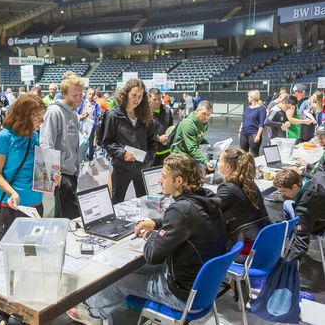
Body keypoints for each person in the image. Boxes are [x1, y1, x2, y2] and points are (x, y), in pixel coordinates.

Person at [67, 153, 227, 324]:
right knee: (135, 270)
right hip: (203, 290)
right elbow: (182, 225)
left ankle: (92, 311)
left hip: (182, 296)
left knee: (118, 281)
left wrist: (150, 234)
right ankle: (99, 305)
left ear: (178, 181)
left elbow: (152, 255)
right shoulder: (206, 198)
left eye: (164, 177)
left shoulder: (181, 210)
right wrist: (157, 223)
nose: (159, 180)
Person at [0, 94, 48, 238]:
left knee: (32, 251)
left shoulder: (34, 136)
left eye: (42, 117)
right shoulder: (4, 137)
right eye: (37, 118)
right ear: (23, 116)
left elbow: (38, 168)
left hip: (35, 204)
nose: (41, 122)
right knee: (11, 251)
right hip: (11, 204)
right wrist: (12, 193)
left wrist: (51, 178)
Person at [102, 79, 157, 204]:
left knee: (146, 203)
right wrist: (123, 153)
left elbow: (153, 142)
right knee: (116, 202)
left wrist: (148, 160)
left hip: (141, 169)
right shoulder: (114, 115)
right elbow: (107, 142)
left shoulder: (146, 116)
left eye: (140, 96)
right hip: (121, 168)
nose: (136, 99)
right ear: (126, 94)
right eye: (134, 95)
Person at [40, 74, 84, 220]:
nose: (79, 98)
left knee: (64, 216)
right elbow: (46, 143)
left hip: (72, 172)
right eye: (75, 95)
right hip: (60, 174)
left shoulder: (74, 113)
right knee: (72, 216)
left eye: (80, 94)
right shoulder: (54, 111)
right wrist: (54, 173)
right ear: (64, 94)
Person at [217, 148, 270, 261]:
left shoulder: (227, 189)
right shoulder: (251, 185)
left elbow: (210, 211)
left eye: (220, 160)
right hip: (263, 243)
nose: (217, 163)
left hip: (244, 249)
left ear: (228, 167)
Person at [273, 169, 325, 260]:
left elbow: (301, 245)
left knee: (286, 204)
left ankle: (294, 234)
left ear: (295, 187)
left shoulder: (304, 207)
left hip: (320, 223)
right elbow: (318, 172)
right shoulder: (318, 177)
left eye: (283, 191)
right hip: (320, 210)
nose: (281, 194)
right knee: (288, 203)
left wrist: (287, 264)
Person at [171, 100, 214, 171]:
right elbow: (192, 148)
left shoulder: (204, 123)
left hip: (191, 157)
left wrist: (210, 147)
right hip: (179, 158)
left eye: (209, 114)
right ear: (197, 110)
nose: (206, 117)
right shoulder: (188, 124)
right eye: (204, 113)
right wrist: (205, 162)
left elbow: (199, 138)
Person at [149, 88, 173, 166]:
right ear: (148, 99)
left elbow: (171, 129)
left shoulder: (167, 111)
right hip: (151, 154)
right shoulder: (144, 114)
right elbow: (141, 135)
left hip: (166, 152)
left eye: (159, 99)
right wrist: (158, 139)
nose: (157, 101)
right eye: (154, 99)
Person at [238, 90, 266, 156]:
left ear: (252, 97)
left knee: (254, 154)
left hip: (254, 133)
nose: (248, 98)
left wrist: (258, 135)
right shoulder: (247, 108)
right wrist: (240, 131)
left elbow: (262, 124)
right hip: (244, 133)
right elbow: (243, 120)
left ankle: (254, 166)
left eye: (249, 96)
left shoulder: (261, 109)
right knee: (243, 154)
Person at [77, 88, 100, 162]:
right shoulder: (83, 103)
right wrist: (82, 115)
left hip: (91, 126)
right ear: (86, 94)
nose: (91, 95)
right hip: (83, 125)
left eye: (92, 94)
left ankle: (90, 158)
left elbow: (97, 115)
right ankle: (81, 157)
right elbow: (78, 111)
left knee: (91, 142)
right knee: (82, 141)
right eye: (89, 94)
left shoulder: (95, 105)